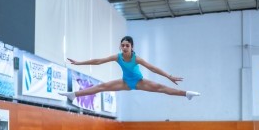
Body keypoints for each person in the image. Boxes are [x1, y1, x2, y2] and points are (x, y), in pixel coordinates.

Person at [60, 36, 200, 101]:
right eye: (123, 45)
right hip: (125, 82)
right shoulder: (118, 57)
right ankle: (74, 95)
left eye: (127, 45)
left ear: (132, 47)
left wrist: (169, 76)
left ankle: (186, 94)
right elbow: (98, 61)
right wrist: (79, 63)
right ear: (120, 47)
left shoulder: (136, 58)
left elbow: (153, 68)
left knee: (162, 88)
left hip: (140, 82)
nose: (125, 47)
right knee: (101, 87)